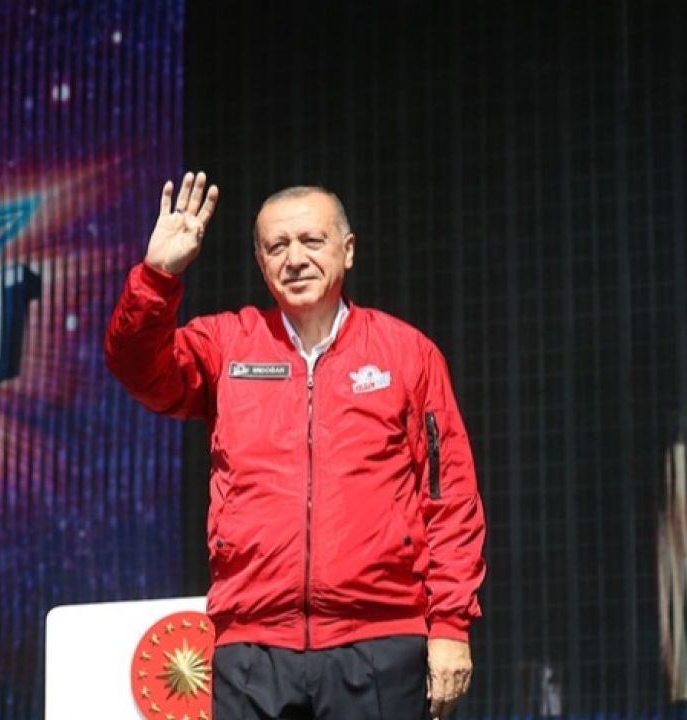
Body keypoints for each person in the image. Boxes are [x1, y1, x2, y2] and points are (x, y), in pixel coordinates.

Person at [105, 172, 486, 719]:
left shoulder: (406, 354)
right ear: (260, 262)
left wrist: (450, 623)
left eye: (312, 241)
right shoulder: (227, 345)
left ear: (347, 250)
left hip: (378, 641)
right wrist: (157, 277)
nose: (295, 259)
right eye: (277, 246)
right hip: (253, 646)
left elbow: (449, 497)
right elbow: (137, 368)